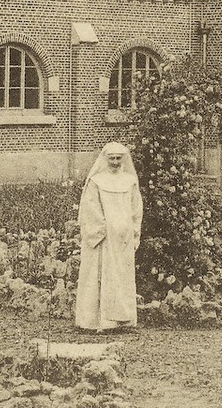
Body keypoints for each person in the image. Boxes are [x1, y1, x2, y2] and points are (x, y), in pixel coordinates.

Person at [74, 142, 144, 332]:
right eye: (111, 158)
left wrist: (133, 231)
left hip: (123, 239)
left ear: (124, 159)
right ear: (105, 159)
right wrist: (103, 229)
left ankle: (122, 320)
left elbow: (136, 209)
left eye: (118, 158)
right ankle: (97, 321)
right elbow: (90, 208)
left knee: (121, 276)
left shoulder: (130, 181)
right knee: (99, 276)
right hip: (103, 238)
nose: (115, 162)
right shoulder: (96, 181)